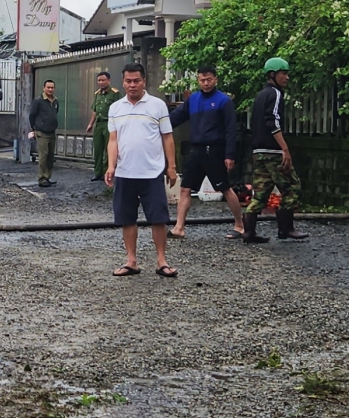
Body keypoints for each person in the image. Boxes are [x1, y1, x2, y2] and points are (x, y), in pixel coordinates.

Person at [105, 62, 178, 278]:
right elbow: (112, 140)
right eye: (128, 81)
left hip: (152, 172)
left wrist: (171, 166)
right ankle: (131, 261)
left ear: (144, 81)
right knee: (126, 218)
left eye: (136, 80)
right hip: (125, 172)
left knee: (158, 217)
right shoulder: (115, 108)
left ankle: (162, 261)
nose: (132, 85)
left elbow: (167, 137)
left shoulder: (157, 105)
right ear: (123, 82)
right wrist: (111, 166)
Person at [169, 64, 245, 239]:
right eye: (202, 80)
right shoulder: (193, 99)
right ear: (198, 80)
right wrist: (158, 125)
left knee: (225, 188)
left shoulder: (223, 101)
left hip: (215, 151)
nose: (206, 83)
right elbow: (176, 117)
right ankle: (179, 227)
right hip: (195, 150)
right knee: (185, 188)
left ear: (215, 79)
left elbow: (231, 130)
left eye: (209, 79)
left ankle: (240, 225)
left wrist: (230, 155)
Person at [245, 56, 308, 243]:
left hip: (258, 152)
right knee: (292, 188)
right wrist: (284, 148)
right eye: (284, 73)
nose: (287, 77)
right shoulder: (275, 94)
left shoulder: (260, 95)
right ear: (272, 75)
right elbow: (272, 121)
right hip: (273, 152)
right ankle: (286, 229)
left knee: (261, 193)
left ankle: (248, 232)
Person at [26, 79, 60, 187]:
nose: (50, 89)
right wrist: (34, 128)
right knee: (43, 156)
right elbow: (32, 115)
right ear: (44, 88)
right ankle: (41, 178)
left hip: (52, 132)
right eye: (48, 87)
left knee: (50, 156)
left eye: (52, 87)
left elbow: (56, 112)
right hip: (42, 132)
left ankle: (47, 177)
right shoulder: (38, 101)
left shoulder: (55, 101)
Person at [86, 71, 117, 183]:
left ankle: (107, 172)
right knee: (98, 149)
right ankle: (97, 173)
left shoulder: (114, 94)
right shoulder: (97, 94)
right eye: (99, 80)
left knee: (108, 149)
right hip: (99, 124)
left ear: (109, 80)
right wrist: (91, 124)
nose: (101, 82)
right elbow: (95, 110)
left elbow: (120, 109)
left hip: (109, 124)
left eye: (103, 80)